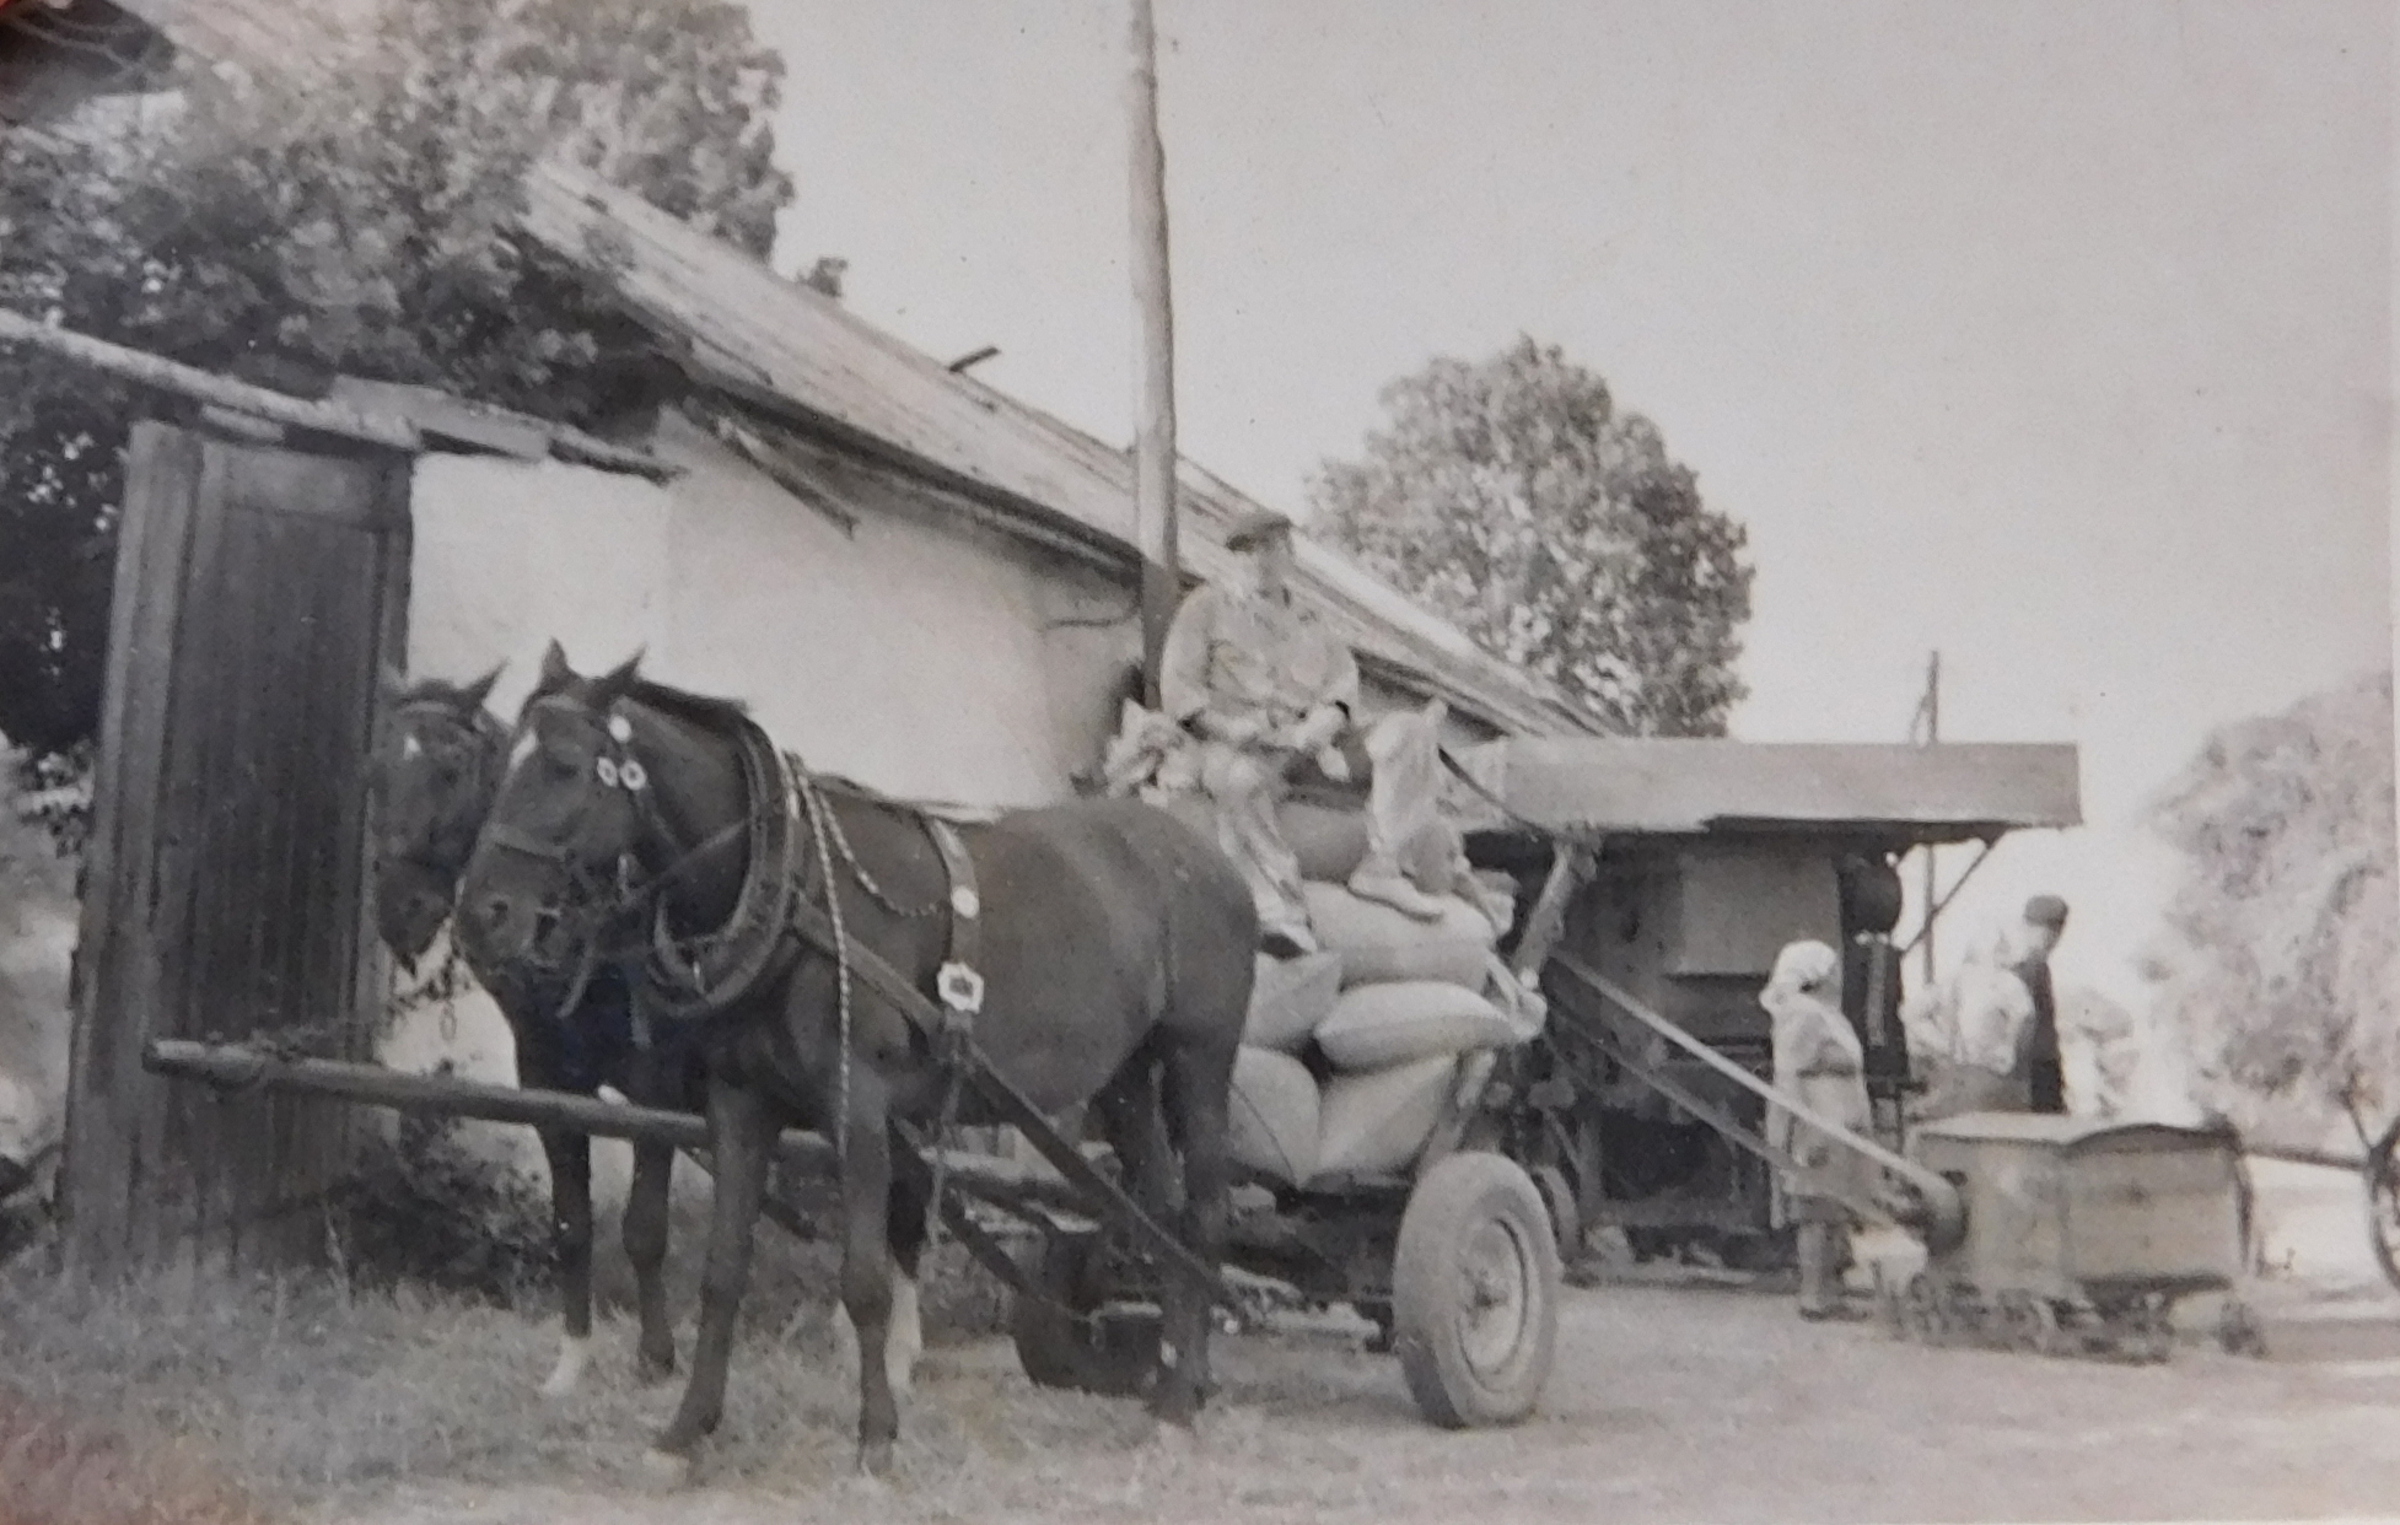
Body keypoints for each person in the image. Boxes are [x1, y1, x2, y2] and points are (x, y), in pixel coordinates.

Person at [1155, 508, 1454, 956]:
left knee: (1410, 732)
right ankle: (1281, 913)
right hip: (1241, 741)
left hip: (1313, 745)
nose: (1258, 560)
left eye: (1269, 548)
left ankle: (1383, 867)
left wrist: (1325, 720)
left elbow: (1342, 687)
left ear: (1289, 554)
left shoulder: (1314, 622)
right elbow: (1181, 691)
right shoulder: (1206, 607)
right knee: (1239, 781)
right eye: (1246, 551)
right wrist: (1231, 728)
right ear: (1233, 558)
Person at [1761, 939, 1872, 1320]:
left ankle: (1830, 1291)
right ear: (1818, 974)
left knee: (1831, 1210)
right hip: (1819, 1122)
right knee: (1815, 1213)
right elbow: (1790, 1075)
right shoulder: (1802, 1013)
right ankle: (1814, 1297)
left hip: (1839, 1121)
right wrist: (1805, 1133)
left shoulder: (1824, 1013)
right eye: (1832, 968)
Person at [1905, 894, 2071, 1119]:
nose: (2049, 940)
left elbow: (1911, 1014)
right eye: (2047, 931)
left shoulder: (1966, 979)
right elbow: (2033, 1030)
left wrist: (1945, 1047)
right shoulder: (2023, 970)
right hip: (2015, 1079)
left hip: (1984, 1074)